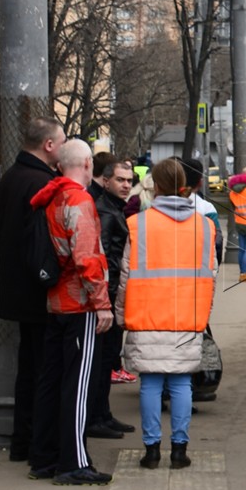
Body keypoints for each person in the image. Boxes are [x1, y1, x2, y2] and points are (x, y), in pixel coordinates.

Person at [121, 159, 218, 469]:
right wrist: (204, 312)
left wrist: (121, 314)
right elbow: (210, 274)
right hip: (188, 316)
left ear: (156, 186)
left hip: (146, 313)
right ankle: (179, 451)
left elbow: (126, 274)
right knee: (181, 385)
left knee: (150, 385)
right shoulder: (205, 225)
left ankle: (151, 451)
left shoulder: (139, 224)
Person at [28, 139, 115, 485]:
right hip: (79, 303)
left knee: (51, 380)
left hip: (55, 301)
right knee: (77, 385)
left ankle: (44, 456)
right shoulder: (79, 200)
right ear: (87, 163)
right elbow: (87, 257)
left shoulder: (51, 197)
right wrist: (102, 303)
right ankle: (73, 462)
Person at [0, 117, 65, 471]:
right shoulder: (42, 183)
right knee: (42, 369)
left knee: (29, 367)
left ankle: (23, 442)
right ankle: (38, 443)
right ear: (49, 146)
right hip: (40, 287)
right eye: (62, 141)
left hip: (18, 285)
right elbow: (44, 239)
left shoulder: (12, 177)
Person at [84, 152, 137, 436]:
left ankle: (102, 414)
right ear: (106, 181)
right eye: (120, 180)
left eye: (130, 180)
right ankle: (96, 418)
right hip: (107, 298)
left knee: (106, 362)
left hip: (111, 295)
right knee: (101, 362)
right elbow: (102, 256)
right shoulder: (105, 210)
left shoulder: (113, 207)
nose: (127, 185)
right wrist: (107, 296)